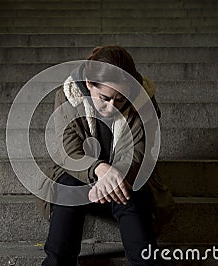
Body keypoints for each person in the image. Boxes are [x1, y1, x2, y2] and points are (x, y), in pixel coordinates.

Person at [34, 46, 170, 266]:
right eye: (105, 98)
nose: (112, 106)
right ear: (89, 84)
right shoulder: (69, 95)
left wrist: (111, 178)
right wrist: (100, 170)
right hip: (78, 173)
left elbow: (137, 154)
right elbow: (69, 152)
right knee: (68, 186)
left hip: (125, 174)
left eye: (120, 99)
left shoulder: (143, 100)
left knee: (129, 191)